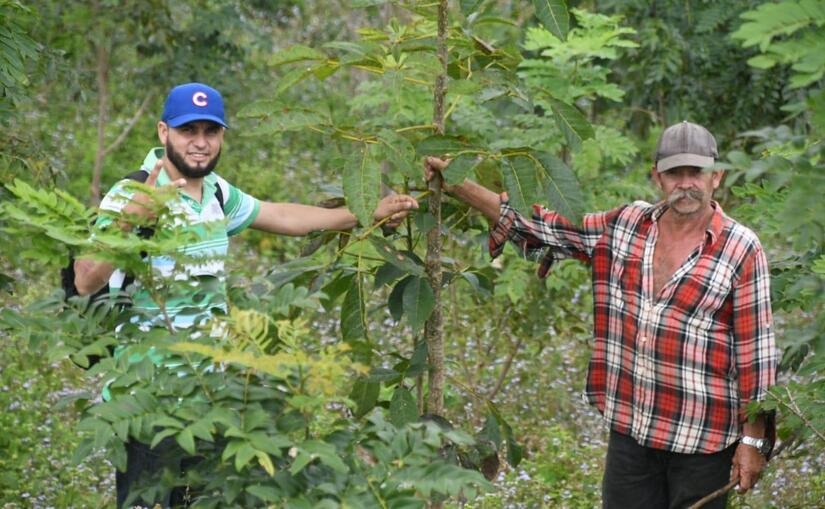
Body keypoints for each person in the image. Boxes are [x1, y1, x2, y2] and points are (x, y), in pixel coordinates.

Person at [73, 82, 418, 507]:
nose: (200, 143)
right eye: (188, 131)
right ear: (164, 133)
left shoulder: (216, 191)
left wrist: (366, 213)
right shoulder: (132, 192)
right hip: (145, 407)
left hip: (212, 402)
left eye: (211, 132)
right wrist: (131, 219)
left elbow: (282, 215)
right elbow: (85, 278)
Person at [425, 121, 777, 509]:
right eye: (675, 172)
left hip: (702, 441)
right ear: (657, 176)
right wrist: (457, 183)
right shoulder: (626, 226)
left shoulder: (741, 248)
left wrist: (753, 440)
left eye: (696, 172)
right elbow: (544, 226)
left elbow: (755, 354)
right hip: (632, 431)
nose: (686, 182)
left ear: (717, 177)